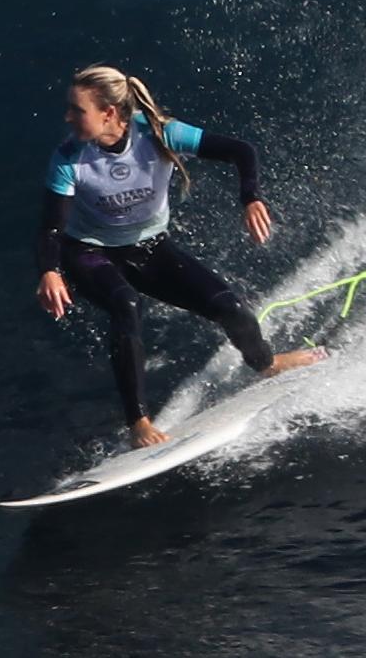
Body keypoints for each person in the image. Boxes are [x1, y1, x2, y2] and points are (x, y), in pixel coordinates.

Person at [35, 64, 323, 447]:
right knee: (126, 305)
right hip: (89, 252)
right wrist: (50, 271)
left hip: (151, 248)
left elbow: (240, 151)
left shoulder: (159, 133)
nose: (68, 116)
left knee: (231, 309)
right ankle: (138, 423)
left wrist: (250, 197)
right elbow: (52, 228)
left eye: (77, 109)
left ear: (108, 112)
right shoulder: (69, 158)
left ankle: (267, 364)